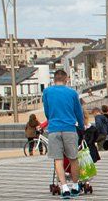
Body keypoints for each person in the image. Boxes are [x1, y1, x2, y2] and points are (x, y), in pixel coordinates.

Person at [43, 69, 86, 199]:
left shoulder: (47, 92)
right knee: (73, 159)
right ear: (66, 79)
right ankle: (75, 186)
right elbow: (78, 112)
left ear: (54, 80)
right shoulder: (72, 93)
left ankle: (64, 187)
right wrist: (82, 127)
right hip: (69, 128)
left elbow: (47, 111)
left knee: (58, 160)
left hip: (54, 129)